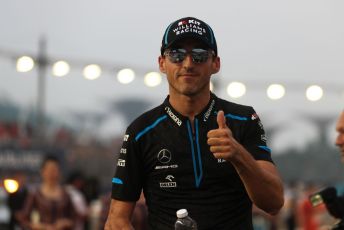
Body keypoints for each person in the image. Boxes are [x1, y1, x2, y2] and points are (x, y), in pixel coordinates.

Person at [105, 16, 284, 230]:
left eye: (199, 55)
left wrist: (238, 155)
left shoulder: (243, 119)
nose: (188, 64)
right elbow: (116, 220)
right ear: (162, 63)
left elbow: (274, 203)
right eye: (177, 55)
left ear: (215, 64)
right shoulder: (140, 131)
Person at [16, 155, 76, 230]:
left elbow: (74, 218)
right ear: (42, 172)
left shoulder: (65, 195)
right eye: (49, 170)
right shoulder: (35, 194)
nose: (51, 173)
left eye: (54, 170)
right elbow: (24, 219)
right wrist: (38, 226)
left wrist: (66, 222)